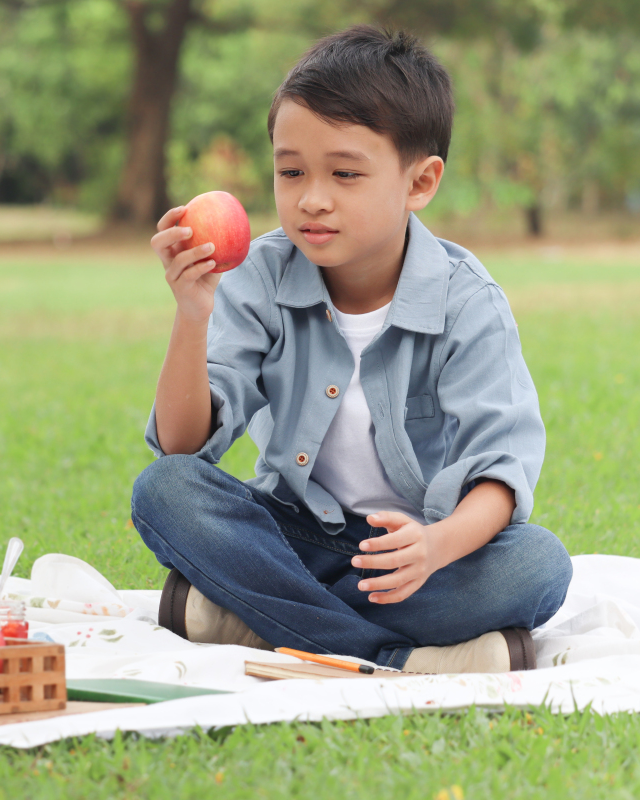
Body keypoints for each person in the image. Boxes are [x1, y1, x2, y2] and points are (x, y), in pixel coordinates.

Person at [130, 25, 573, 674]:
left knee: (538, 565)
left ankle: (253, 619)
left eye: (344, 173)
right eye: (291, 171)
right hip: (291, 538)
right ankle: (387, 656)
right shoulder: (260, 273)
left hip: (416, 553)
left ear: (420, 183)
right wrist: (192, 315)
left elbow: (499, 469)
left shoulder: (466, 299)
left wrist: (436, 545)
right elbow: (182, 446)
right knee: (164, 489)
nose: (312, 198)